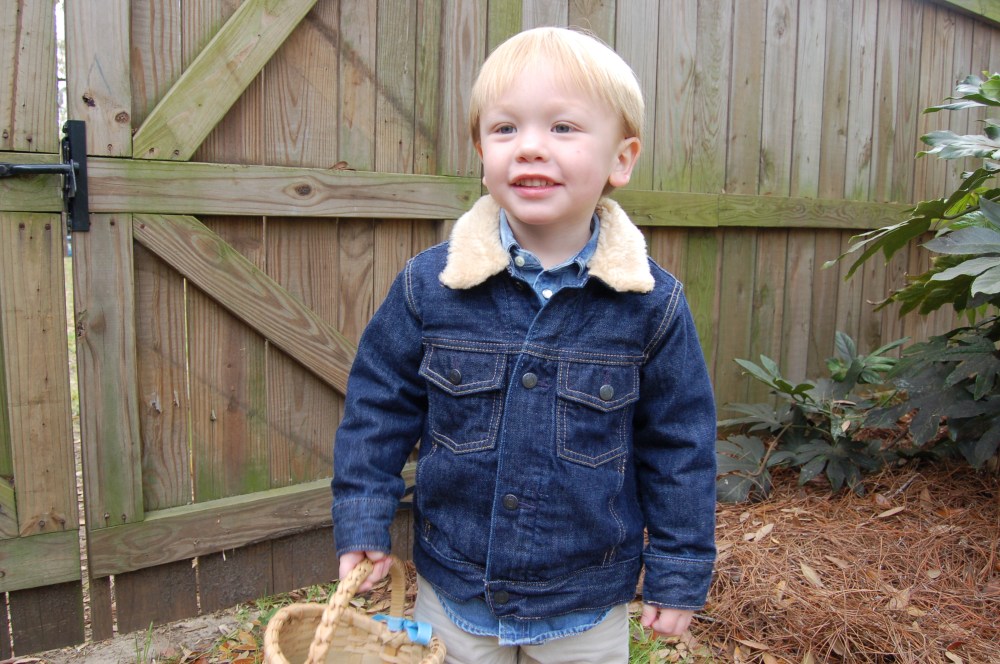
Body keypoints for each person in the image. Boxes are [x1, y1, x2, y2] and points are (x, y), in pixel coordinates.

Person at [332, 26, 717, 663]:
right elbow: (378, 409)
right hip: (453, 590)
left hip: (583, 604)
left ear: (621, 159)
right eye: (506, 129)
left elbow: (680, 445)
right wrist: (364, 520)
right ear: (480, 152)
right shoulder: (430, 287)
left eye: (563, 128)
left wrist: (678, 571)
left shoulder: (653, 305)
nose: (531, 148)